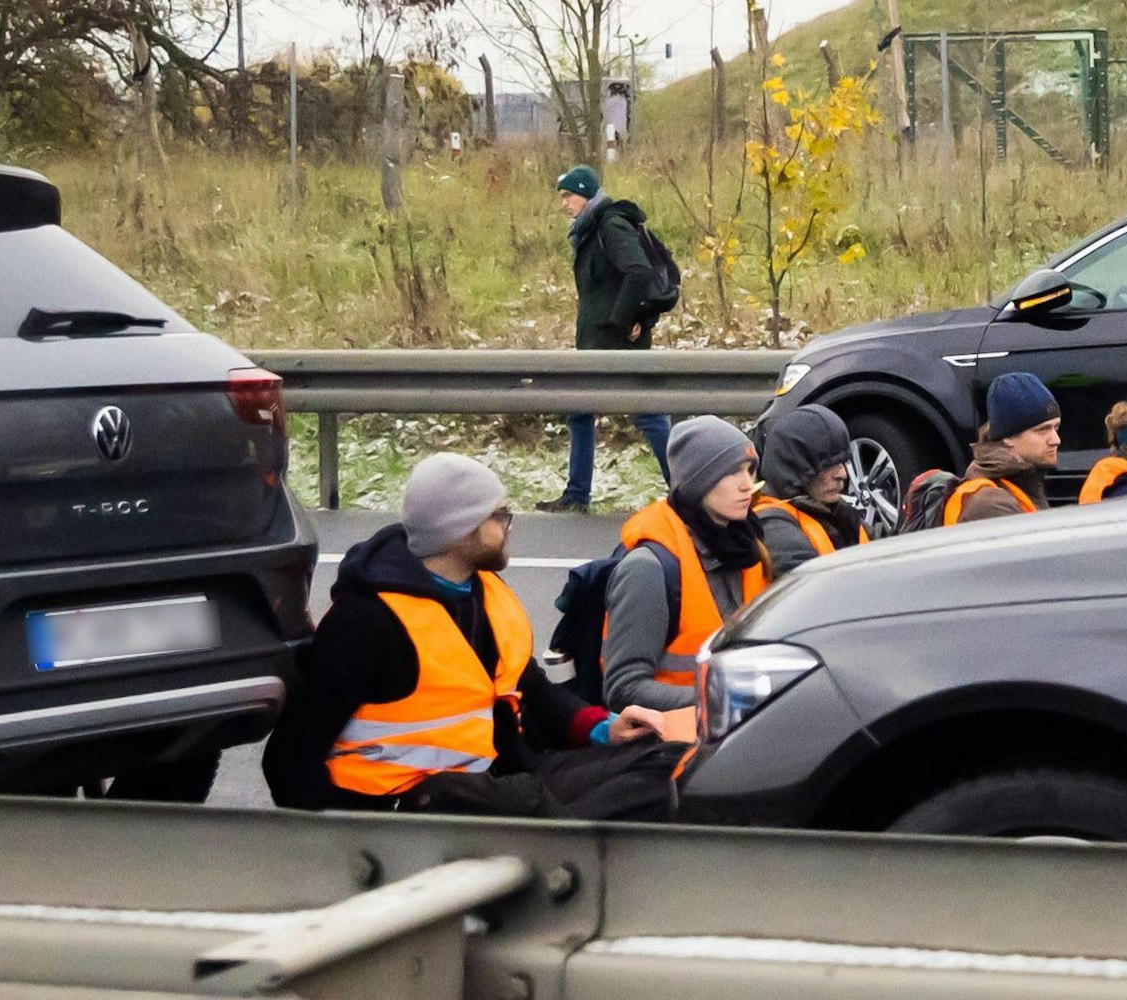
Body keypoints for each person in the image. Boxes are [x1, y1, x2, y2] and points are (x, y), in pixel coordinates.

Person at [263, 453, 680, 820]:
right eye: (499, 516)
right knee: (499, 797)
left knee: (670, 762)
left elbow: (532, 691)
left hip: (503, 782)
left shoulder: (487, 592)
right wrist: (354, 839)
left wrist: (605, 728)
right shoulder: (366, 621)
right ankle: (559, 839)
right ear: (461, 530)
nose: (509, 526)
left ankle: (557, 836)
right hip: (411, 808)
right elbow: (288, 759)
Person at [603, 416, 772, 711]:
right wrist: (723, 700)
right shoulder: (649, 568)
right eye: (732, 473)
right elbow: (623, 687)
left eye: (750, 470)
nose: (748, 485)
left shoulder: (746, 546)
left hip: (737, 732)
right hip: (670, 743)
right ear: (698, 483)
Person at [539, 164, 672, 514]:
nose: (564, 203)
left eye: (568, 196)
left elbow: (639, 271)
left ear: (585, 193)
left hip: (616, 342)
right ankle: (577, 495)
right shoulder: (590, 229)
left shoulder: (609, 225)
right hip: (597, 342)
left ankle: (687, 491)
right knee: (580, 411)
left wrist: (624, 319)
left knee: (647, 415)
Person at [754, 405, 869, 578]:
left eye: (842, 462)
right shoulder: (772, 525)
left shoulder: (834, 511)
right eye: (827, 465)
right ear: (794, 469)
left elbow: (893, 551)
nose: (842, 474)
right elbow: (817, 591)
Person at [944, 371, 1061, 525]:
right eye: (1042, 430)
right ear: (1008, 438)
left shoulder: (1023, 482)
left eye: (1056, 428)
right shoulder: (991, 504)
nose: (1056, 440)